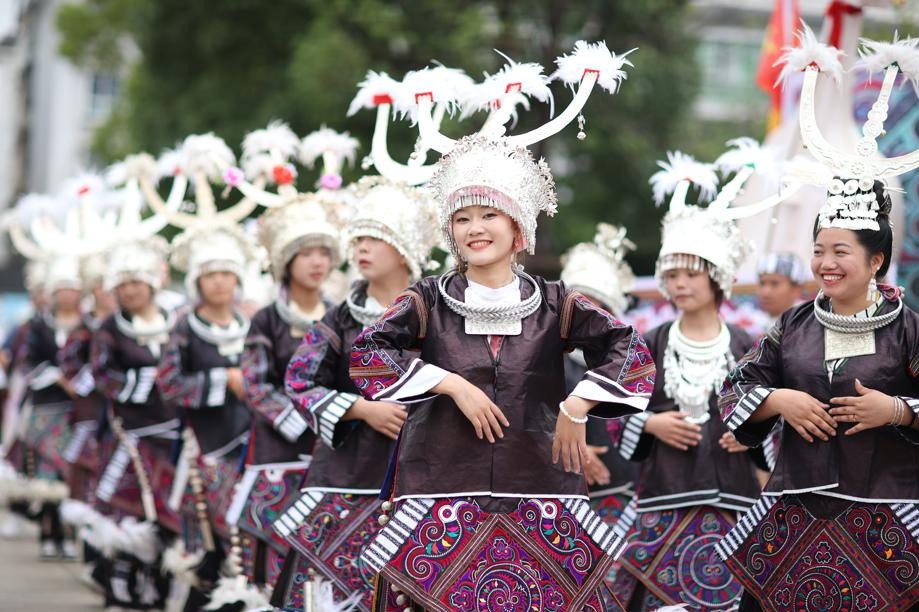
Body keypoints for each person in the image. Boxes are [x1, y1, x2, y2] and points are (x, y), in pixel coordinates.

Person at [349, 134, 654, 611]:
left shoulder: (556, 302)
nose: (475, 227)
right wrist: (449, 384)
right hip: (442, 489)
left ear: (519, 231)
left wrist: (578, 404)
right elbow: (368, 352)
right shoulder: (426, 300)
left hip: (541, 490)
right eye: (462, 218)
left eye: (489, 215)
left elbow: (629, 349)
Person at [717, 34, 919, 610]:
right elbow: (738, 385)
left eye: (841, 252)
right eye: (819, 250)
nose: (825, 264)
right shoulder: (794, 325)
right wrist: (778, 400)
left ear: (876, 259)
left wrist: (898, 409)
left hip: (889, 520)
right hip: (796, 515)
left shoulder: (909, 328)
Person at [612, 152, 766, 611]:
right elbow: (617, 409)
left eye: (691, 273)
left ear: (717, 278)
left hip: (734, 499)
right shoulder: (649, 342)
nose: (680, 284)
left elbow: (772, 412)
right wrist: (650, 425)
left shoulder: (748, 346)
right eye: (672, 274)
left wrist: (754, 433)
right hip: (665, 495)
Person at [278, 176, 440, 610]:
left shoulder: (438, 313)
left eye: (375, 238)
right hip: (345, 478)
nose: (361, 248)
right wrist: (359, 409)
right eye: (358, 239)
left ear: (404, 247)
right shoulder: (340, 319)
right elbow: (298, 381)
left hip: (424, 480)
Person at [157, 222, 256, 608]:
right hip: (204, 444)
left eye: (226, 274)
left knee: (239, 534)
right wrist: (223, 380)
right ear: (198, 281)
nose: (219, 283)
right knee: (210, 536)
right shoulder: (183, 327)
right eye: (211, 275)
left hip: (249, 441)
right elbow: (169, 384)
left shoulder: (251, 325)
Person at [90, 235, 178, 610]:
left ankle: (155, 582)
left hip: (174, 436)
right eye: (122, 284)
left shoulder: (178, 322)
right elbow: (101, 374)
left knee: (166, 517)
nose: (129, 291)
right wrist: (147, 379)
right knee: (128, 515)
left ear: (152, 285)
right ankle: (118, 583)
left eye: (136, 283)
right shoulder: (108, 328)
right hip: (130, 435)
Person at [559, 223, 642, 589]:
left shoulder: (627, 360)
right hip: (558, 489)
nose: (585, 312)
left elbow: (638, 415)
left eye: (595, 305)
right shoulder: (541, 356)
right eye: (578, 302)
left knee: (611, 587)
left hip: (618, 487)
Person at [21, 256, 84, 560]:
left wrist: (79, 382)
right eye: (62, 289)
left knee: (71, 474)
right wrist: (58, 377)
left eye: (72, 289)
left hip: (77, 411)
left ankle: (69, 534)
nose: (67, 295)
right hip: (48, 409)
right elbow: (28, 362)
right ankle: (48, 533)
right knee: (46, 476)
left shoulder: (88, 325)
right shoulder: (39, 324)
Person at [755, 251, 807, 322]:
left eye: (774, 283)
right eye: (762, 283)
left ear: (796, 289)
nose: (765, 291)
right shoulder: (754, 321)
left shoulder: (807, 322)